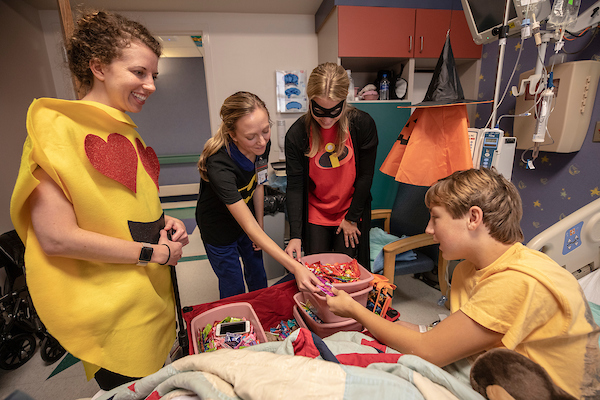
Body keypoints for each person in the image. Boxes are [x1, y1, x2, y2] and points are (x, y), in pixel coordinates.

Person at [10, 11, 190, 391]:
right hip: (114, 307)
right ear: (99, 67)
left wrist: (163, 220)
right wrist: (151, 253)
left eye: (153, 75)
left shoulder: (126, 132)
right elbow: (56, 237)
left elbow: (118, 206)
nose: (151, 85)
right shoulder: (57, 131)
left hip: (149, 297)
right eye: (140, 72)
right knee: (131, 384)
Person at [326, 168, 600, 399]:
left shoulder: (517, 281)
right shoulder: (469, 270)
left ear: (473, 218)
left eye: (435, 218)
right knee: (359, 339)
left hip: (552, 390)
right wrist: (375, 319)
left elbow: (428, 350)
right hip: (502, 365)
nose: (428, 230)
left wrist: (354, 309)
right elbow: (445, 332)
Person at [196, 91, 321, 299]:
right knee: (233, 283)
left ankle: (262, 314)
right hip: (218, 229)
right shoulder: (219, 164)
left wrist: (260, 223)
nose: (262, 142)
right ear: (232, 134)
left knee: (258, 274)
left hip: (248, 221)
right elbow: (249, 227)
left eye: (265, 131)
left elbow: (259, 183)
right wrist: (296, 267)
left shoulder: (261, 146)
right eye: (251, 137)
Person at [285, 62, 378, 270]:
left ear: (345, 102)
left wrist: (352, 218)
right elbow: (294, 188)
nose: (326, 120)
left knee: (348, 270)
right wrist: (295, 236)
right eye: (319, 110)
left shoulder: (363, 125)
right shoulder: (297, 134)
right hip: (316, 210)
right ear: (309, 101)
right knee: (318, 270)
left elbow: (365, 177)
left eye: (334, 111)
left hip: (350, 209)